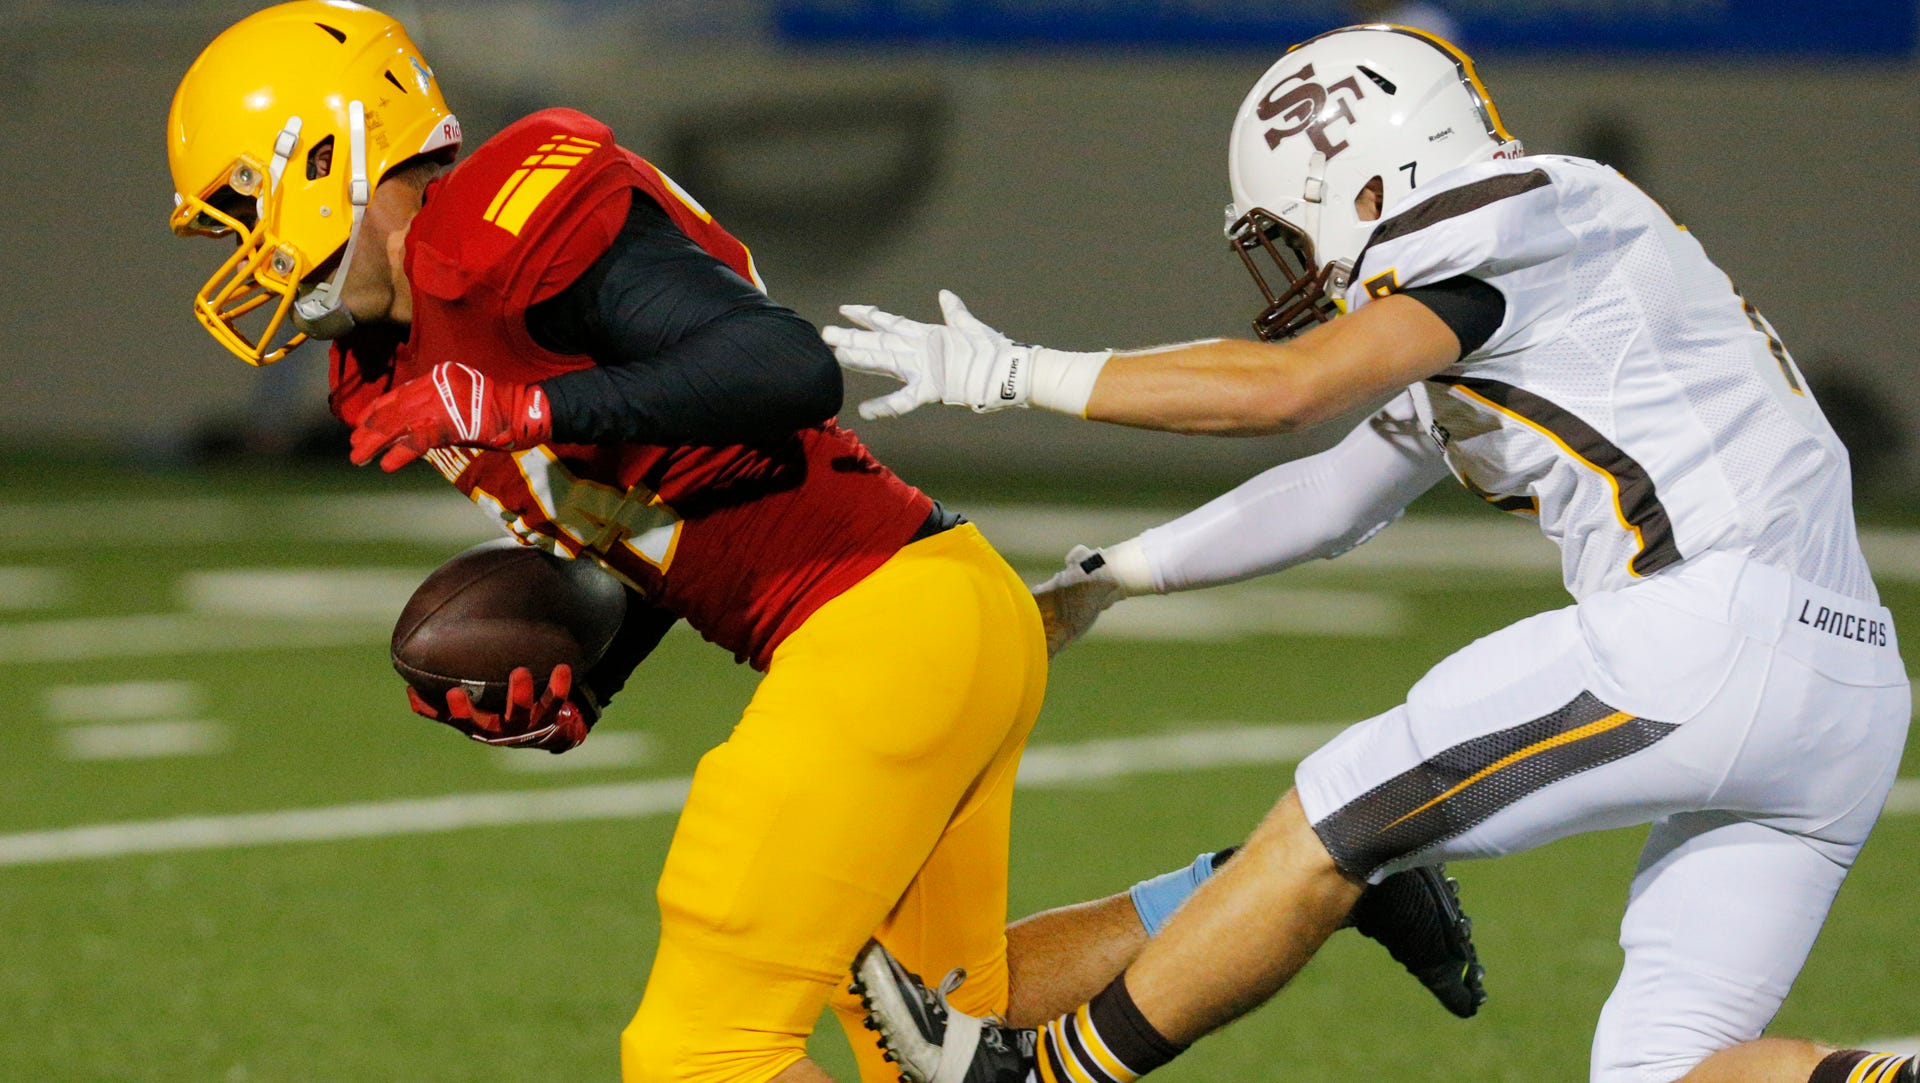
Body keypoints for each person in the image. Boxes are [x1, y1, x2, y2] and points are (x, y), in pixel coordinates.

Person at [164, 7, 1478, 1081]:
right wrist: (587, 671)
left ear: (329, 152)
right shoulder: (398, 357)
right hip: (930, 617)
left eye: (239, 209)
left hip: (884, 625)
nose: (241, 251)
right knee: (962, 1013)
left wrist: (530, 408)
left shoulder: (501, 227)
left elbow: (782, 369)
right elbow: (675, 509)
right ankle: (1296, 884)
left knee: (702, 1051)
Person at [827, 24, 1912, 1083]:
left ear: (1362, 181)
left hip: (1708, 636)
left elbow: (1288, 392)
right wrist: (1115, 575)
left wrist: (1015, 373)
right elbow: (1334, 493)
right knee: (1660, 1070)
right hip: (1848, 693)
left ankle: (1046, 1071)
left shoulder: (1496, 222)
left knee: (1332, 815)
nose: (1298, 266)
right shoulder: (1549, 266)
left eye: (1290, 230)